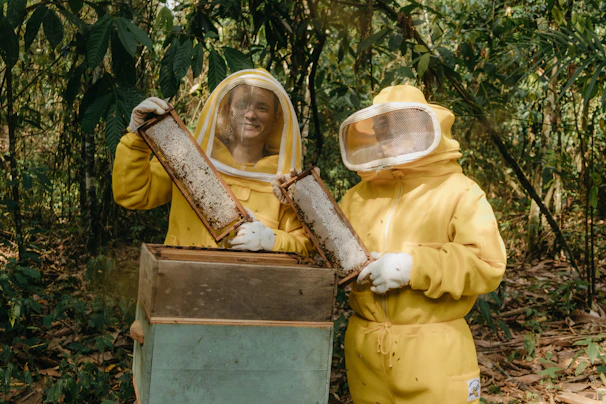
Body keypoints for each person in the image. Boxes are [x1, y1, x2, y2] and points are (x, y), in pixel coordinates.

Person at [338, 84, 507, 403]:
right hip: (365, 354)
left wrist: (411, 267)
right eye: (383, 129)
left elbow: (487, 264)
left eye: (403, 125)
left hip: (436, 354)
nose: (392, 137)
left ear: (428, 128)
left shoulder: (461, 191)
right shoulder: (357, 197)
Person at [112, 68, 311, 255]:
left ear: (277, 117)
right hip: (179, 281)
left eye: (262, 107)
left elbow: (305, 244)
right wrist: (138, 138)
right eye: (242, 104)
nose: (250, 114)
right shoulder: (187, 160)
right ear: (226, 110)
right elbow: (132, 194)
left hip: (249, 288)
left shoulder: (283, 183)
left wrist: (272, 240)